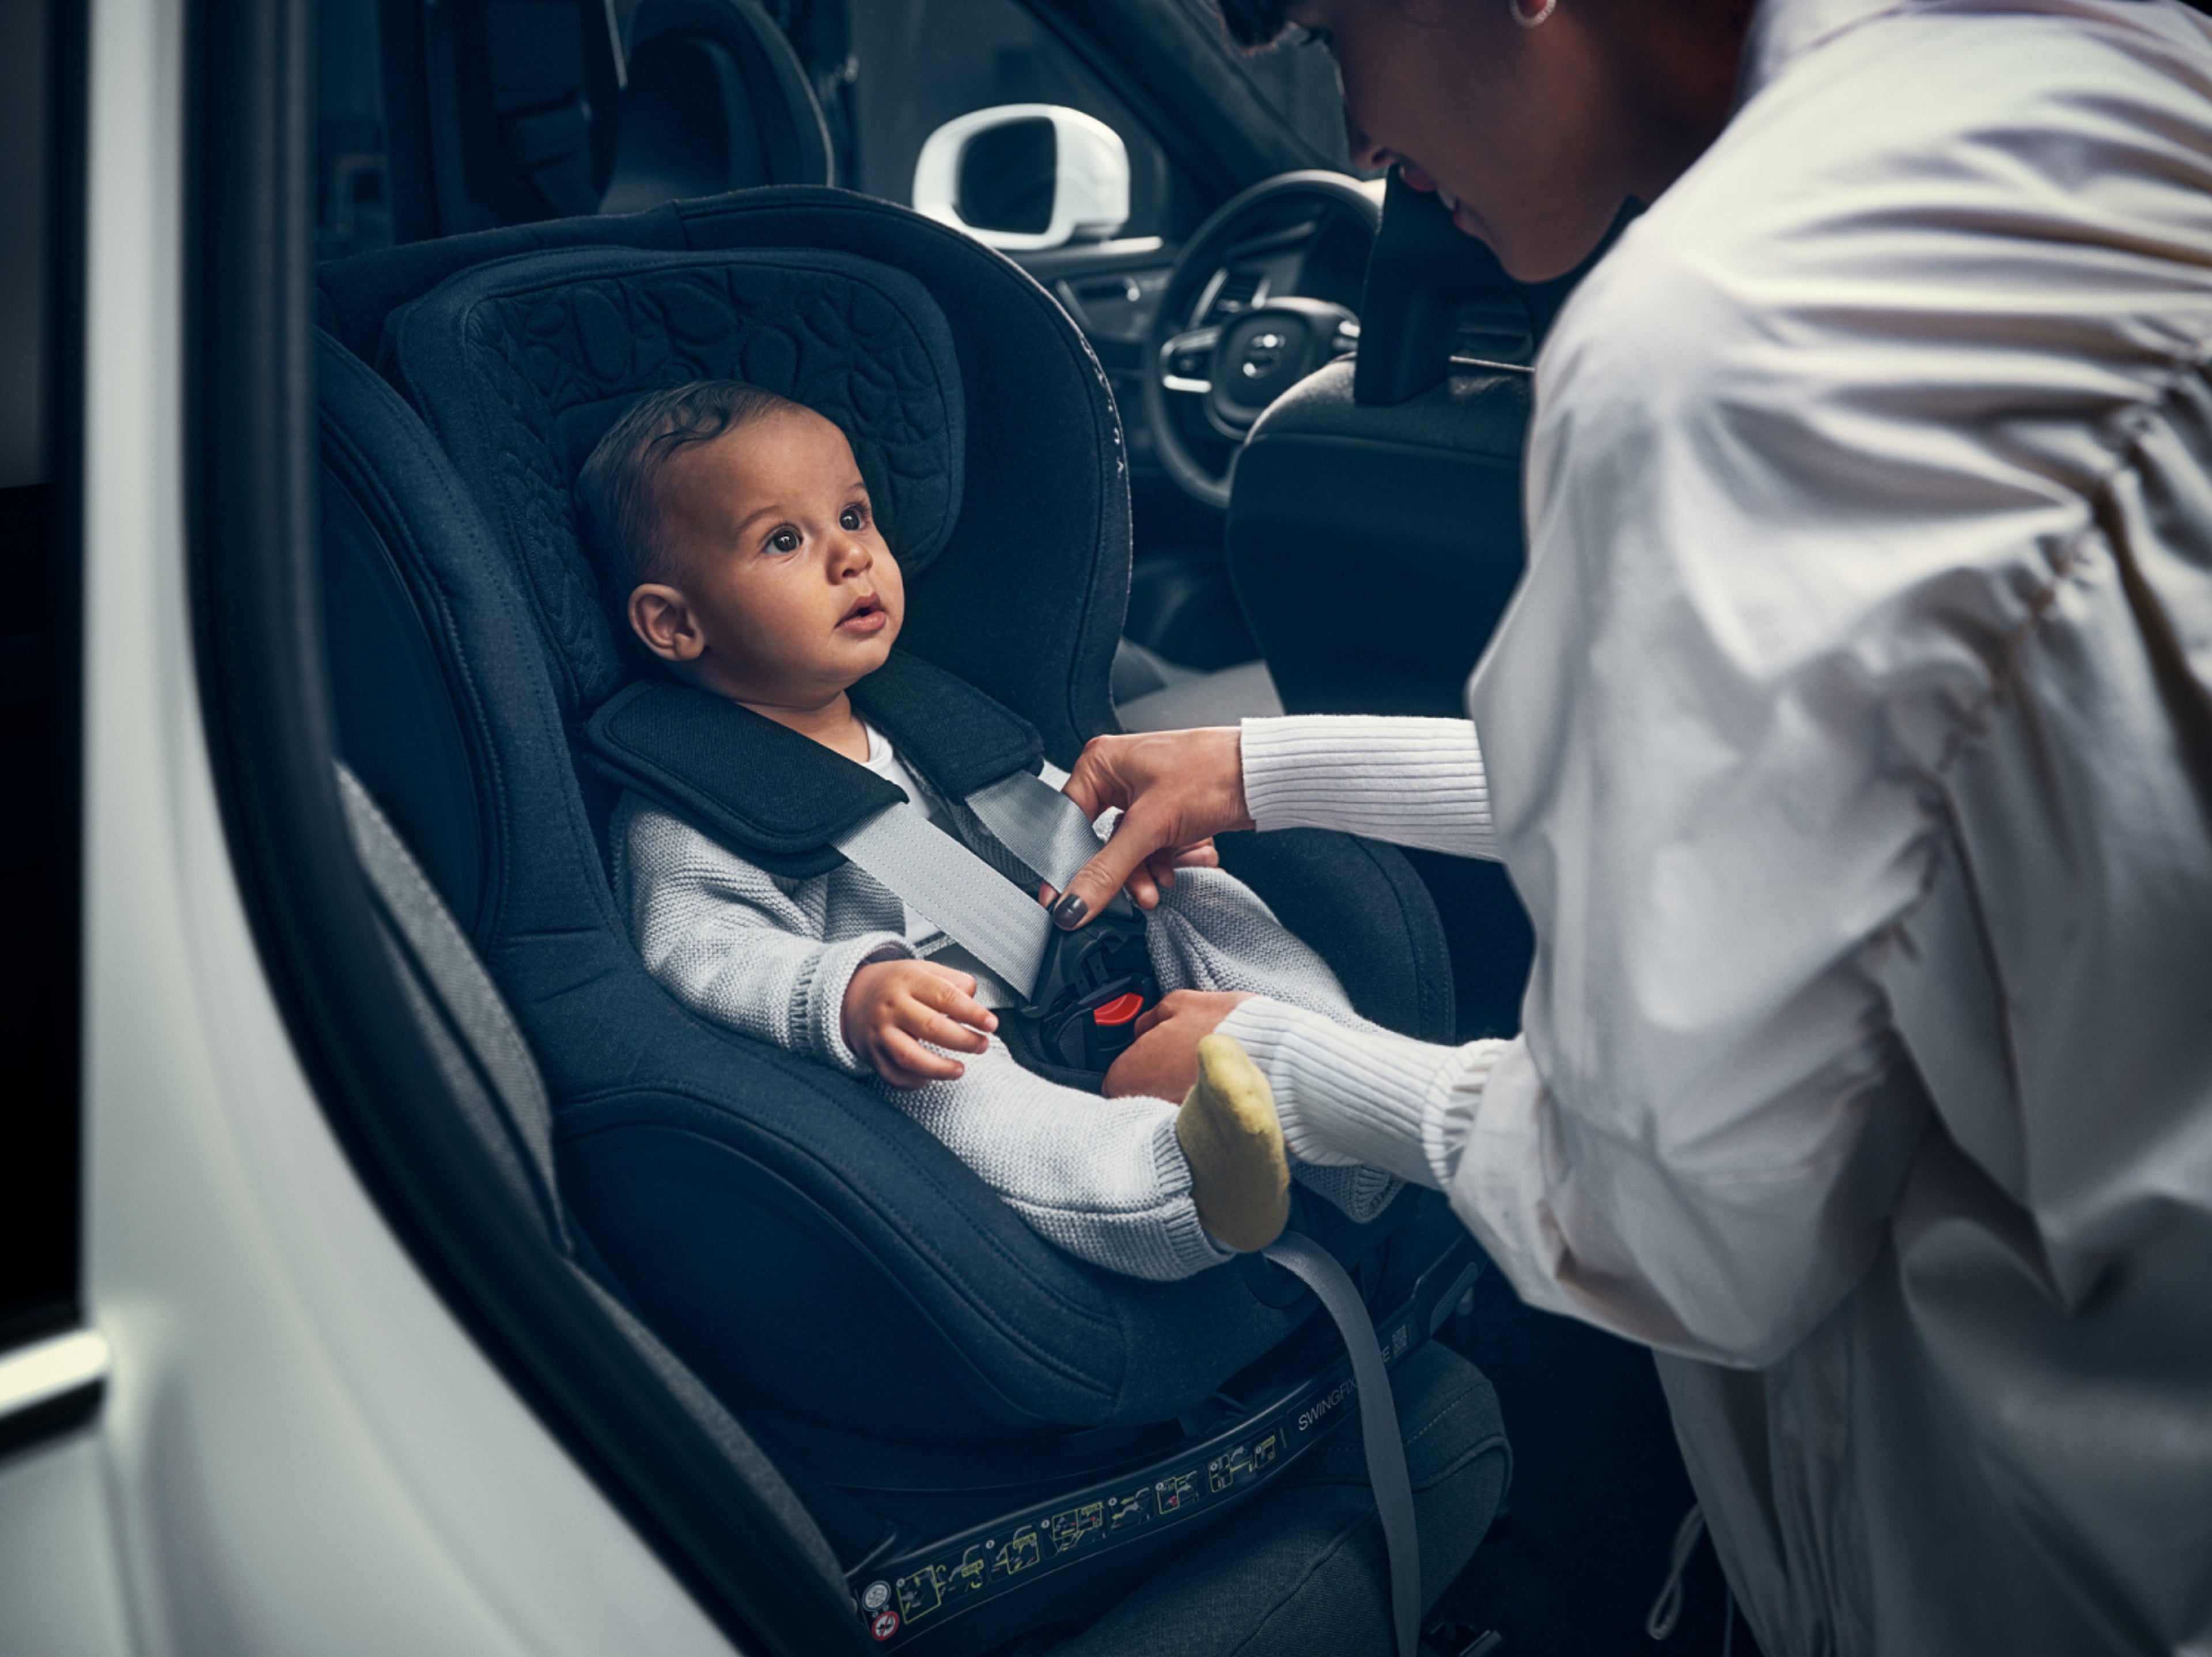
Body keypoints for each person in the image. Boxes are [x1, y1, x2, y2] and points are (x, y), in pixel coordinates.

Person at [1044, 0, 2212, 1648]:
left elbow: (1694, 1229)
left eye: (1328, 23)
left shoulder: (1726, 338)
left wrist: (1285, 1063)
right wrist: (1263, 767)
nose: (1355, 127)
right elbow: (1855, 806)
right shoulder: (2112, 89)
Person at [575, 380, 1402, 1281]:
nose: (852, 557)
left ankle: (1347, 1105)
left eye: (853, 515)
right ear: (674, 622)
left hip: (1071, 947)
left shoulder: (926, 715)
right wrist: (849, 993)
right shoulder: (685, 807)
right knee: (944, 1090)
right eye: (785, 539)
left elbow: (1040, 805)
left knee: (1206, 896)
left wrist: (1124, 844)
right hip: (939, 1025)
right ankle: (1178, 1180)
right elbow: (701, 949)